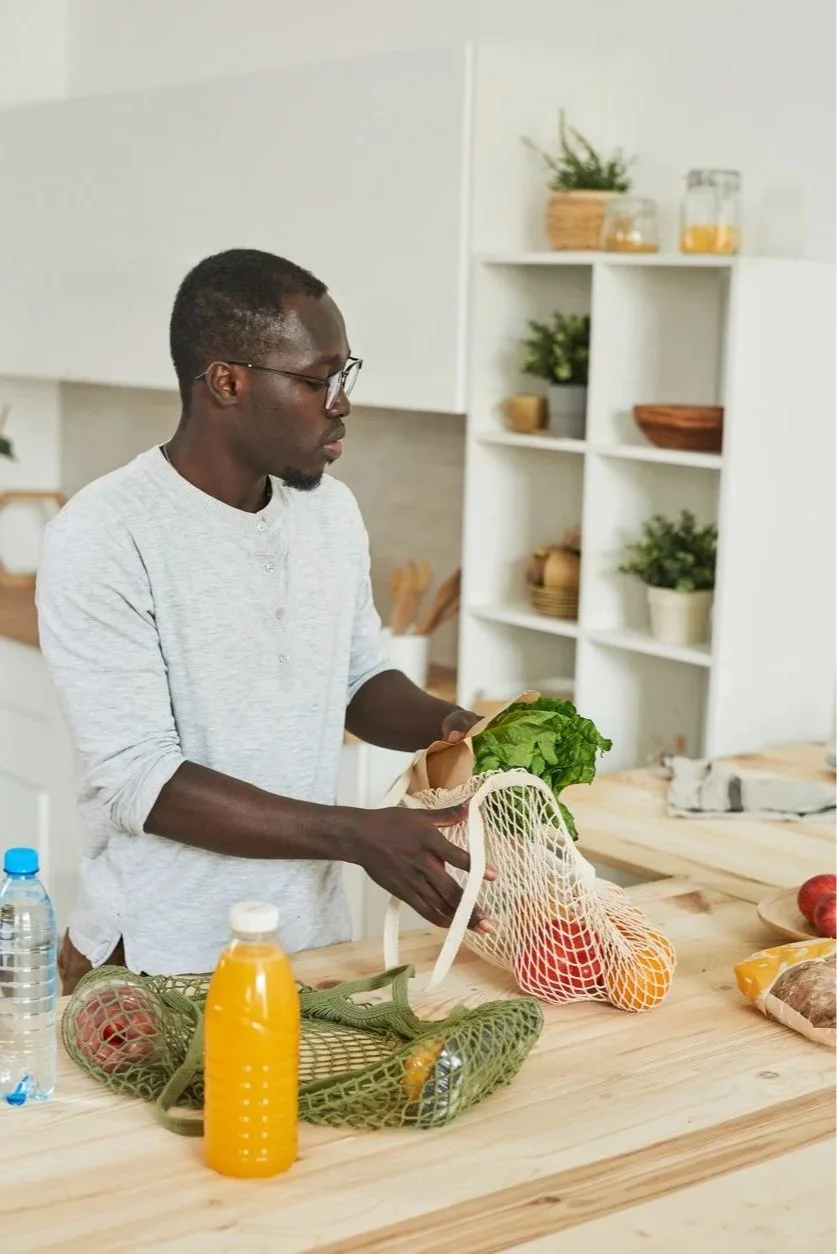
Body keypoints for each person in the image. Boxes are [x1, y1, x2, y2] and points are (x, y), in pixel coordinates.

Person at [36, 247, 491, 995]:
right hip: (159, 958)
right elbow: (141, 781)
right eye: (317, 380)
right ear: (228, 381)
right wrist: (355, 834)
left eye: (344, 376)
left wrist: (465, 728)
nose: (340, 402)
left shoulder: (329, 513)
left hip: (310, 943)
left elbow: (356, 679)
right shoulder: (105, 533)